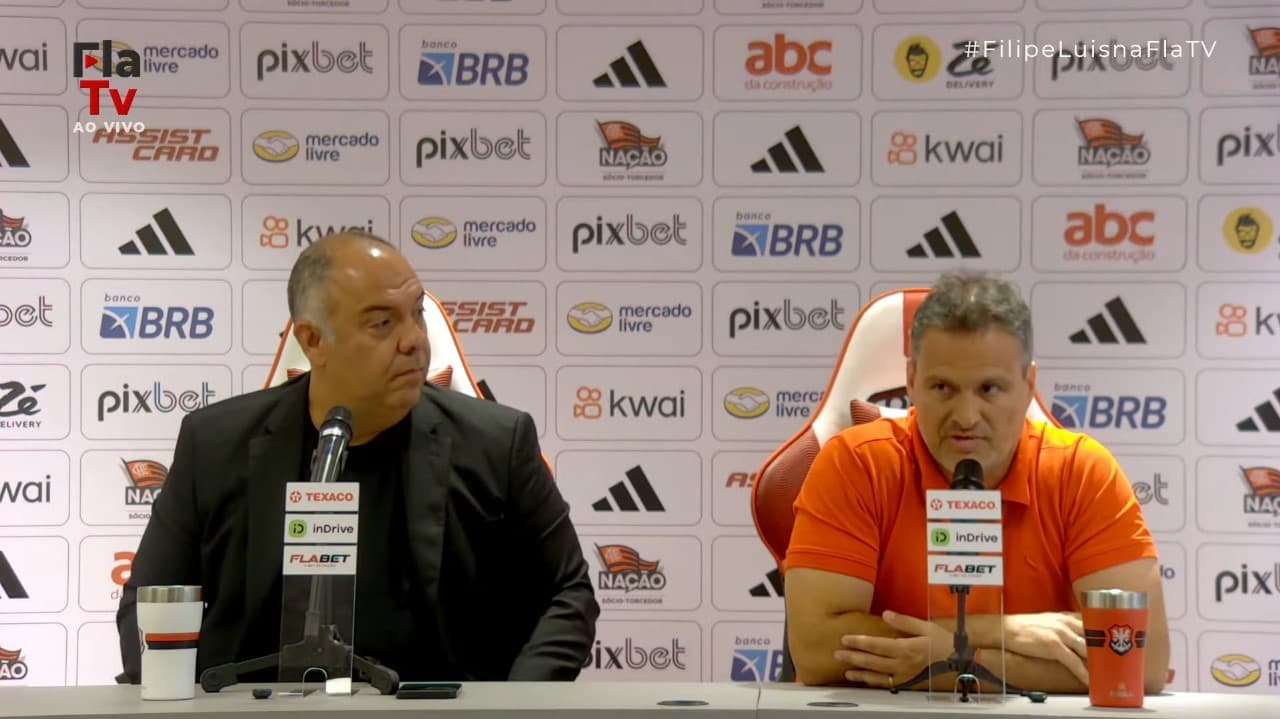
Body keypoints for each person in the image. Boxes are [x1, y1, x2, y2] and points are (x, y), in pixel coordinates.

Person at [117, 231, 599, 683]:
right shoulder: (216, 443)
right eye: (382, 323)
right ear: (312, 341)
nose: (414, 341)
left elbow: (567, 593)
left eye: (416, 314)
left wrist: (510, 711)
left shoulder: (496, 442)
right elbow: (150, 603)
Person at [784, 271, 1169, 693]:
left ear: (1028, 386)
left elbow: (1138, 662)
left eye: (989, 388)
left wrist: (960, 654)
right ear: (912, 382)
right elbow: (818, 650)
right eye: (943, 387)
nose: (966, 416)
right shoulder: (856, 464)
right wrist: (1008, 635)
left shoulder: (1083, 473)